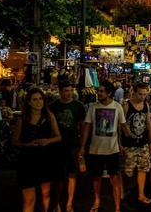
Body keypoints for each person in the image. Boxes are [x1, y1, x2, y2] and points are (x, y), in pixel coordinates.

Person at [78, 80, 131, 212]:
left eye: (102, 91)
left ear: (109, 92)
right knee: (96, 178)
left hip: (112, 150)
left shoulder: (117, 107)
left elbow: (122, 127)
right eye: (98, 91)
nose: (99, 93)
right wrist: (82, 147)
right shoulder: (93, 107)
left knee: (115, 178)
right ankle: (97, 200)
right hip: (95, 150)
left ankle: (117, 206)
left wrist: (129, 136)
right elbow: (87, 128)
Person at [12, 87, 62, 212]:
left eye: (40, 99)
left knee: (46, 193)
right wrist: (28, 145)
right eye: (34, 99)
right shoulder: (22, 120)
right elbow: (15, 141)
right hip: (27, 161)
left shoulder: (49, 117)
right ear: (29, 102)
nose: (38, 102)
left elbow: (58, 137)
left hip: (45, 159)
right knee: (29, 199)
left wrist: (47, 141)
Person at [49, 80, 86, 212]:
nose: (69, 93)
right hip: (56, 146)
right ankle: (57, 202)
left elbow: (82, 127)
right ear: (60, 92)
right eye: (66, 91)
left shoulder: (79, 106)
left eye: (71, 90)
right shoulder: (53, 106)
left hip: (73, 144)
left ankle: (69, 202)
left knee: (72, 174)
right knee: (58, 177)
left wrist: (82, 146)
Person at [121, 83, 151, 205]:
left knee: (143, 168)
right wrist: (120, 144)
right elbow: (120, 125)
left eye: (145, 94)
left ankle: (141, 194)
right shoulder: (126, 105)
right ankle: (122, 191)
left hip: (143, 143)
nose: (142, 97)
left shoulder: (145, 105)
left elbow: (148, 124)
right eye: (140, 94)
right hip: (128, 144)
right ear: (134, 92)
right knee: (127, 171)